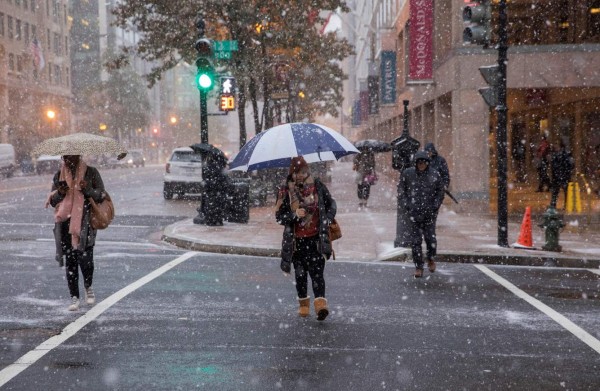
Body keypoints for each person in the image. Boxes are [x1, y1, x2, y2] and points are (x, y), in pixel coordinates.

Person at [275, 157, 337, 320]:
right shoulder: (285, 191)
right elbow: (279, 216)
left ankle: (321, 305)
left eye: (303, 171)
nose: (301, 175)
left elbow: (332, 205)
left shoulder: (317, 186)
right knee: (301, 275)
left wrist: (327, 219)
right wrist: (294, 215)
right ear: (292, 173)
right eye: (297, 172)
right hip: (296, 242)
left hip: (316, 239)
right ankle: (303, 304)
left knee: (317, 273)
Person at [45, 155, 106, 311]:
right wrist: (60, 192)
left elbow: (101, 195)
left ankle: (88, 286)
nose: (67, 160)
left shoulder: (91, 172)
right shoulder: (59, 175)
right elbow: (52, 201)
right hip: (65, 223)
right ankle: (74, 297)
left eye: (70, 156)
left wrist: (88, 190)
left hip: (85, 222)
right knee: (71, 261)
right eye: (65, 157)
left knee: (86, 259)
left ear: (78, 156)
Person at [399, 151, 445, 278]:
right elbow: (402, 190)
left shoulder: (434, 174)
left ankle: (430, 258)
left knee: (430, 239)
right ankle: (418, 266)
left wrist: (435, 206)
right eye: (419, 162)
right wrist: (407, 205)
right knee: (416, 241)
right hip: (414, 213)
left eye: (423, 162)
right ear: (416, 163)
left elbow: (440, 192)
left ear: (427, 163)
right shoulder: (408, 174)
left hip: (429, 213)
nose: (421, 165)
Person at [550, 141, 575, 209]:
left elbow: (571, 164)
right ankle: (553, 205)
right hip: (559, 176)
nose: (555, 147)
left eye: (556, 145)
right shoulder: (555, 154)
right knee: (556, 192)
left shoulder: (566, 154)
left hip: (563, 176)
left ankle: (565, 205)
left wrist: (566, 171)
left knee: (565, 192)